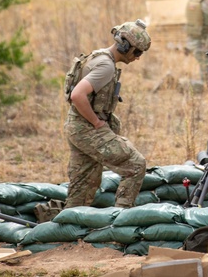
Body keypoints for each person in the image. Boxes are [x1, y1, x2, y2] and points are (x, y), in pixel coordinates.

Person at [64, 19, 152, 209]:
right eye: (137, 52)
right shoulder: (106, 66)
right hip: (87, 129)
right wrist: (96, 123)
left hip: (76, 127)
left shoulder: (99, 56)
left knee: (84, 184)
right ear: (125, 45)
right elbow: (77, 95)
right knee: (136, 165)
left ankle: (69, 225)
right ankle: (121, 219)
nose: (137, 58)